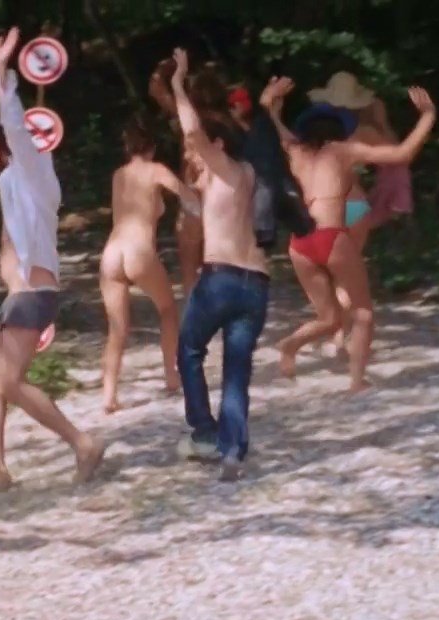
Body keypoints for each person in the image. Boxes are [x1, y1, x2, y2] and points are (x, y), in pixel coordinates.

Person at [0, 27, 107, 494]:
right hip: (21, 296)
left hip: (32, 296)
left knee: (8, 381)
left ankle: (83, 442)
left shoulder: (33, 172)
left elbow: (16, 132)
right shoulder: (15, 179)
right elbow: (6, 134)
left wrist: (2, 73)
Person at [262, 76, 437, 393]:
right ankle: (357, 381)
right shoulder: (344, 150)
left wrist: (271, 107)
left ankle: (291, 344)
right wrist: (427, 116)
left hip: (300, 242)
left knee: (328, 318)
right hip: (331, 236)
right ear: (340, 130)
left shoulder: (296, 151)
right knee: (363, 312)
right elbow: (402, 154)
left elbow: (273, 127)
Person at [168, 48, 270, 483]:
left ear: (219, 146)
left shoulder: (228, 169)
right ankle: (232, 453)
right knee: (236, 371)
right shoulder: (248, 176)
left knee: (188, 350)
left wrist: (178, 83)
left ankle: (204, 433)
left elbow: (192, 131)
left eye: (201, 151)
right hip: (257, 284)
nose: (194, 156)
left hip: (222, 279)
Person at [307, 72, 416, 355]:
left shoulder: (316, 133)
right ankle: (342, 334)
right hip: (355, 204)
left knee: (329, 273)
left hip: (322, 207)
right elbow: (397, 156)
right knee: (349, 270)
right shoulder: (364, 132)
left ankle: (338, 333)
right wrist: (382, 121)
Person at [100, 115, 201, 413]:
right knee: (168, 310)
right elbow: (189, 198)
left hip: (112, 251)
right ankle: (171, 374)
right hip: (138, 249)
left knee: (117, 327)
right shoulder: (156, 170)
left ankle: (109, 394)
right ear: (152, 147)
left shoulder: (118, 175)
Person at [148, 58, 234, 300]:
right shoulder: (230, 122)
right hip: (224, 200)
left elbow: (155, 89)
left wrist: (165, 68)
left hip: (193, 199)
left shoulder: (189, 120)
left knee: (189, 271)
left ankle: (195, 314)